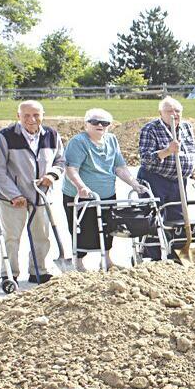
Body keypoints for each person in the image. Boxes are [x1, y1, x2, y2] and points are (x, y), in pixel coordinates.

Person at [62, 109, 148, 271]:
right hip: (82, 196)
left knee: (108, 227)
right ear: (86, 124)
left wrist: (134, 184)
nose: (100, 125)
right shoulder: (78, 142)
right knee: (83, 230)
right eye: (95, 122)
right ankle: (78, 263)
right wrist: (81, 187)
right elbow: (71, 169)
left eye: (105, 123)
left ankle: (107, 261)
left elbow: (119, 167)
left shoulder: (112, 140)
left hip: (107, 194)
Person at [0, 100, 65, 285]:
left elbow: (60, 161)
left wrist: (52, 175)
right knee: (12, 237)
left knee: (42, 236)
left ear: (43, 115)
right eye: (26, 116)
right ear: (18, 117)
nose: (31, 119)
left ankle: (38, 271)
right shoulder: (5, 136)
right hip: (12, 198)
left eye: (36, 115)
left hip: (41, 195)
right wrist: (14, 194)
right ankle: (9, 274)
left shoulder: (52, 135)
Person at [137, 96, 195, 259]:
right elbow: (145, 158)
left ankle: (179, 253)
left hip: (179, 178)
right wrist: (167, 151)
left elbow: (192, 151)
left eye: (177, 111)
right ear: (161, 113)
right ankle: (152, 256)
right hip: (155, 177)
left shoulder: (187, 127)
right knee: (152, 216)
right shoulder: (150, 129)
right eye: (169, 111)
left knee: (179, 216)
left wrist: (194, 169)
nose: (174, 114)